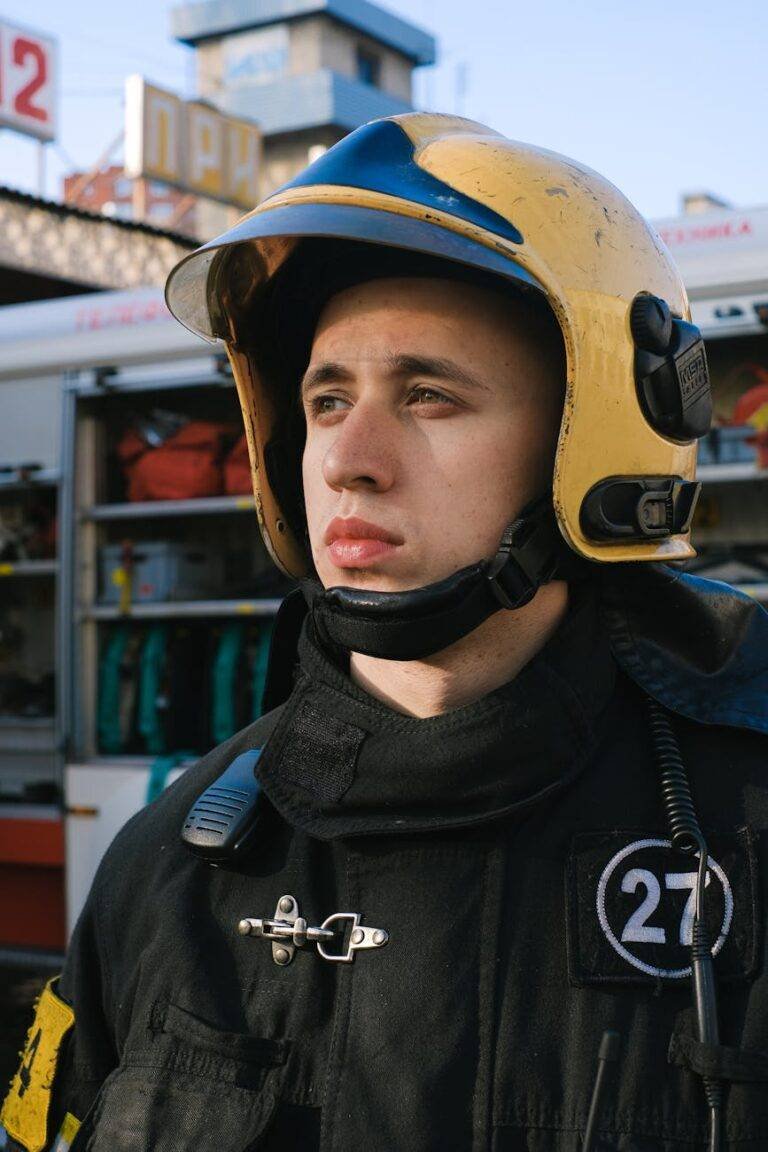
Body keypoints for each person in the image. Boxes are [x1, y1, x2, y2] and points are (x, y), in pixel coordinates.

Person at [4, 113, 768, 1152]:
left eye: (428, 396)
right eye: (327, 400)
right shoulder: (171, 867)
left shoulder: (744, 822)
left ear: (591, 442)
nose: (348, 460)